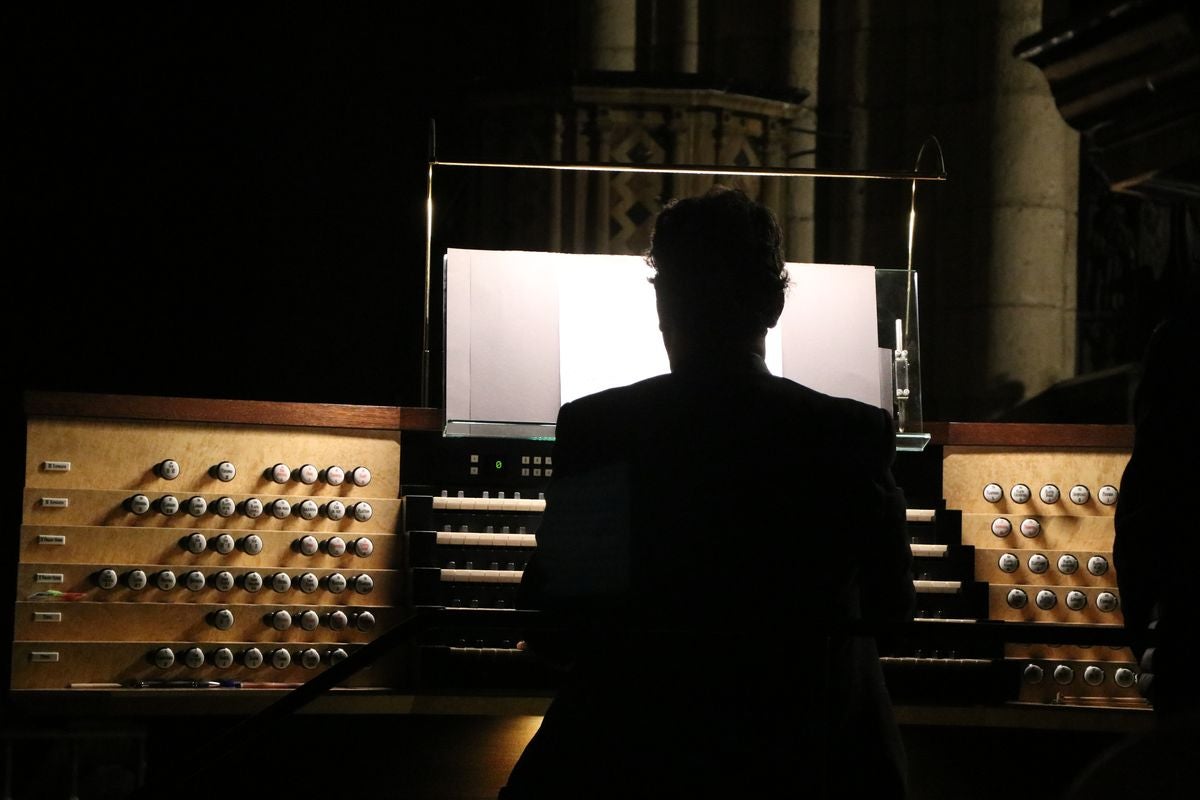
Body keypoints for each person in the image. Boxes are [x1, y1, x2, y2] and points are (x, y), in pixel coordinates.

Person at [500, 187, 915, 799]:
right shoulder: (851, 432)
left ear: (664, 305)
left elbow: (554, 628)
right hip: (812, 760)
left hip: (631, 761)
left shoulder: (602, 428)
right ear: (774, 305)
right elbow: (892, 615)